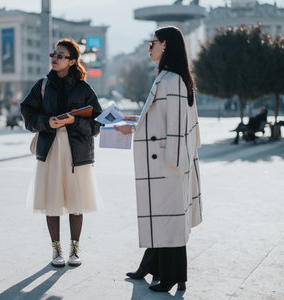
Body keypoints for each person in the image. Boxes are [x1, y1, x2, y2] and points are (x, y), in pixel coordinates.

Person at [115, 26, 202, 292]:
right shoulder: (170, 76)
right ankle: (151, 266)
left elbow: (176, 125)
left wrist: (173, 164)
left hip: (168, 164)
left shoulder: (172, 79)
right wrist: (134, 122)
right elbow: (162, 117)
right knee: (164, 217)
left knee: (169, 218)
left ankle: (174, 275)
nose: (148, 47)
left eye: (151, 42)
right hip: (166, 162)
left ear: (165, 44)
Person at [21, 39, 102, 268]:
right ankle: (56, 250)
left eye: (61, 55)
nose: (54, 58)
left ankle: (75, 249)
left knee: (77, 201)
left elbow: (97, 124)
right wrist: (48, 122)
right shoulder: (42, 85)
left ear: (73, 61)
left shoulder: (84, 88)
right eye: (53, 54)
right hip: (51, 150)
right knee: (52, 200)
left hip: (78, 153)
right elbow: (27, 114)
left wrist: (74, 121)